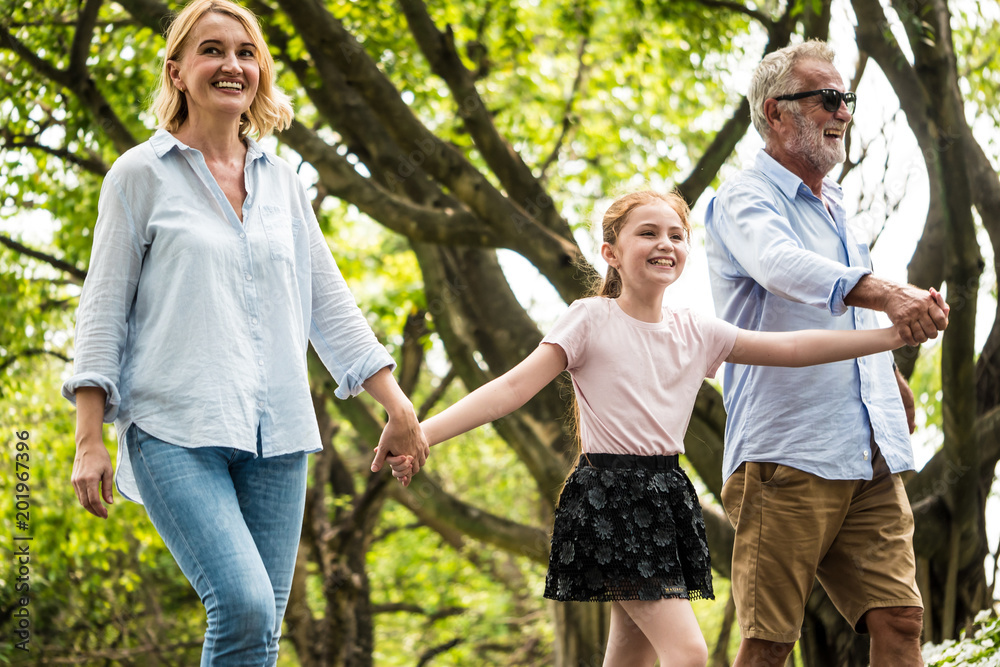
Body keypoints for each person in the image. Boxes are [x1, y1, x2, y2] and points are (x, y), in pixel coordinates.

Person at [373, 189, 921, 667]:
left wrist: (891, 337)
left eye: (677, 235)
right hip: (610, 498)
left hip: (666, 498)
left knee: (630, 656)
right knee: (687, 653)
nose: (666, 243)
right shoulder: (590, 319)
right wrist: (421, 431)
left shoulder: (697, 330)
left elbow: (796, 347)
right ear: (610, 253)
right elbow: (511, 390)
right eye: (648, 233)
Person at [61, 1, 428, 664]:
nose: (231, 64)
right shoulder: (140, 175)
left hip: (278, 435)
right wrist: (89, 438)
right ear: (176, 71)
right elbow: (102, 307)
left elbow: (329, 303)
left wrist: (396, 404)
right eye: (211, 50)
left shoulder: (282, 183)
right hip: (173, 428)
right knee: (244, 604)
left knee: (259, 630)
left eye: (245, 52)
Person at [704, 41, 950, 667]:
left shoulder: (837, 203)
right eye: (828, 98)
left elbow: (849, 302)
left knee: (899, 618)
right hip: (788, 453)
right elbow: (784, 267)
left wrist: (888, 374)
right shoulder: (743, 198)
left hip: (867, 450)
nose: (843, 111)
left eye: (847, 99)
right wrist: (891, 292)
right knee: (768, 642)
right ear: (776, 112)